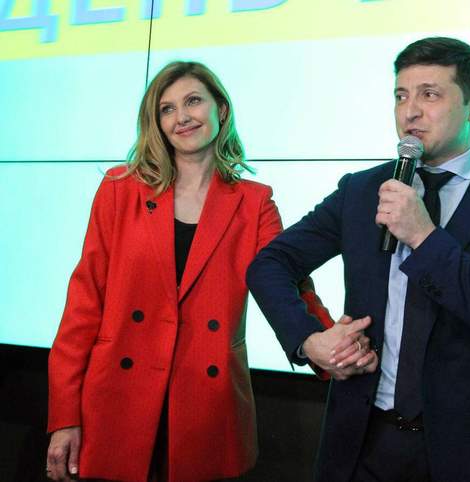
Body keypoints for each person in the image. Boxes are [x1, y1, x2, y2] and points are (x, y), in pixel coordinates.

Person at [45, 61, 371, 482]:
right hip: (116, 400)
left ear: (222, 110)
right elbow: (83, 304)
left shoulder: (254, 202)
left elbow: (288, 281)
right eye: (167, 109)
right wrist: (65, 415)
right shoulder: (119, 189)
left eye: (193, 101)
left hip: (205, 405)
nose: (181, 117)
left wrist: (330, 345)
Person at [247, 37, 470, 482]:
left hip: (464, 452)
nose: (410, 111)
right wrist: (310, 341)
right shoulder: (361, 190)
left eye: (429, 94)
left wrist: (424, 236)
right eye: (400, 96)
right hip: (360, 442)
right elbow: (271, 264)